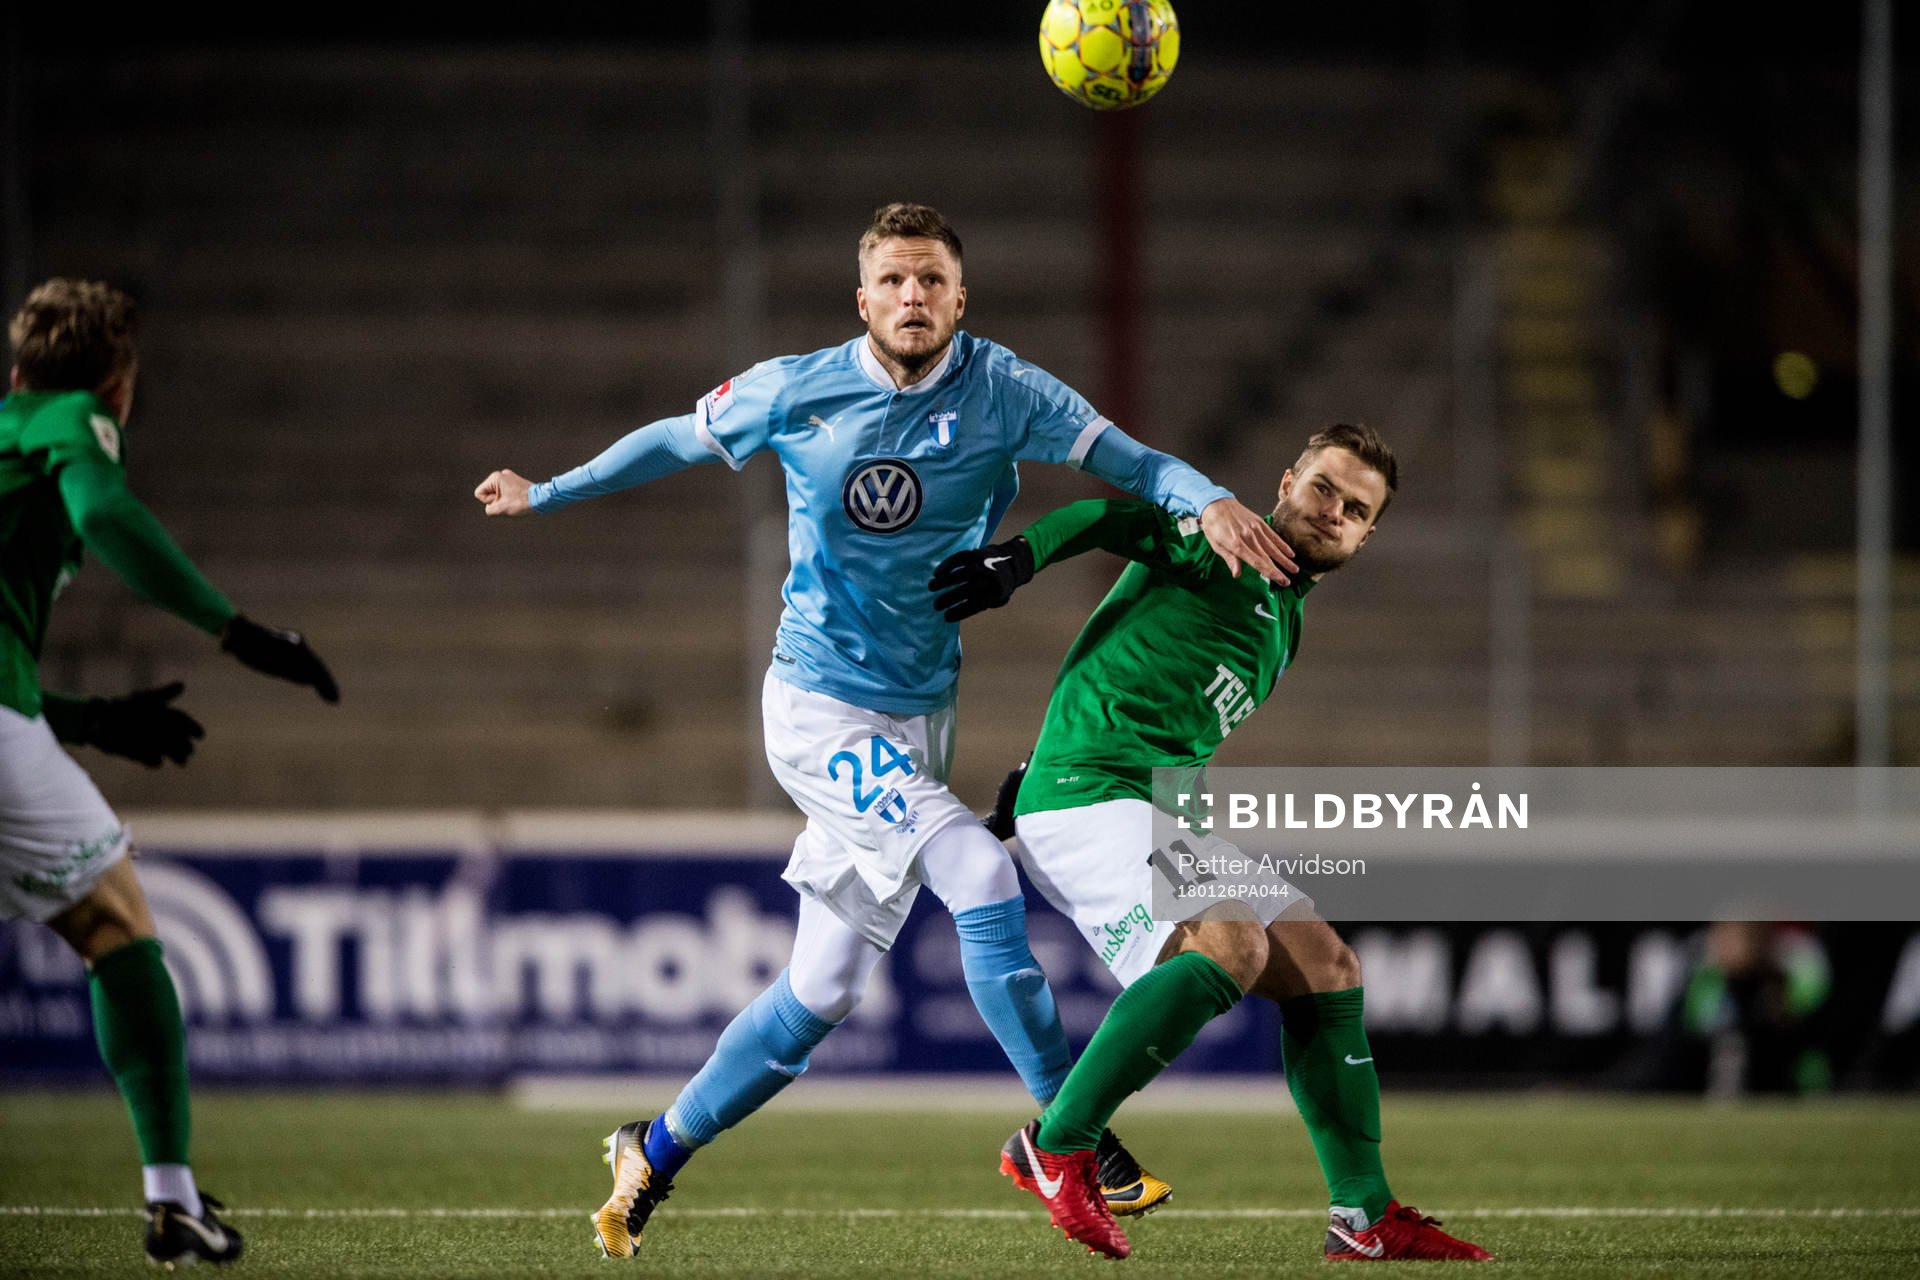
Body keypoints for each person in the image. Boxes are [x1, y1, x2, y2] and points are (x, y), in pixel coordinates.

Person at [473, 202, 1297, 1258]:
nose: (914, 297)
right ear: (862, 300)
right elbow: (677, 437)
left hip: (920, 713)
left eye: (932, 281)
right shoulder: (795, 387)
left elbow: (1135, 465)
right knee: (978, 872)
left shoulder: (1006, 390)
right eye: (895, 281)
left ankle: (654, 1145)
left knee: (822, 990)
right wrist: (547, 492)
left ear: (961, 299)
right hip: (818, 705)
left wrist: (1212, 498)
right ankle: (1072, 1139)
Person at [932, 423, 1491, 1261]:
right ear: (1287, 481)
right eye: (1324, 488)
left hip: (1151, 806)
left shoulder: (1284, 618)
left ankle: (1364, 1216)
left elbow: (1158, 702)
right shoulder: (1225, 539)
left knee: (1326, 967)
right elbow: (1103, 519)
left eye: (1355, 509)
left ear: (1367, 537)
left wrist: (1032, 764)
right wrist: (1018, 558)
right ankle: (1058, 1145)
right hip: (1092, 795)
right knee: (1231, 943)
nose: (1333, 511)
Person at [1, 279, 339, 1266]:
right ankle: (170, 1199)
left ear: (15, 371)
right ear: (118, 386)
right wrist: (237, 633)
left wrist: (92, 720)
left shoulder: (10, 435)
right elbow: (105, 512)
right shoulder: (71, 423)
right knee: (115, 920)